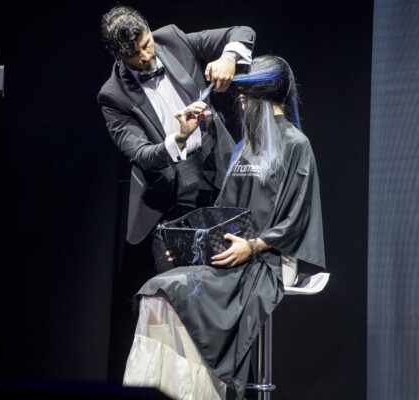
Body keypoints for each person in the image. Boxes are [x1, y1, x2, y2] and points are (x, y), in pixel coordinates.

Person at [122, 55, 326, 400]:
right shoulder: (246, 147)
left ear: (264, 94)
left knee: (178, 293)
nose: (240, 100)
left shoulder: (296, 145)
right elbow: (223, 211)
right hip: (234, 253)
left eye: (246, 93)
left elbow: (297, 218)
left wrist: (254, 245)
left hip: (271, 258)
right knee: (157, 292)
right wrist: (191, 247)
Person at [97, 5, 256, 273]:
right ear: (117, 56)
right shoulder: (113, 96)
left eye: (146, 44)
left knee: (234, 271)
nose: (146, 56)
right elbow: (142, 155)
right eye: (135, 54)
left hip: (218, 170)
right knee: (181, 285)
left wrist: (229, 57)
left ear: (149, 31)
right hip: (171, 197)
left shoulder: (172, 39)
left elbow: (242, 32)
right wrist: (180, 138)